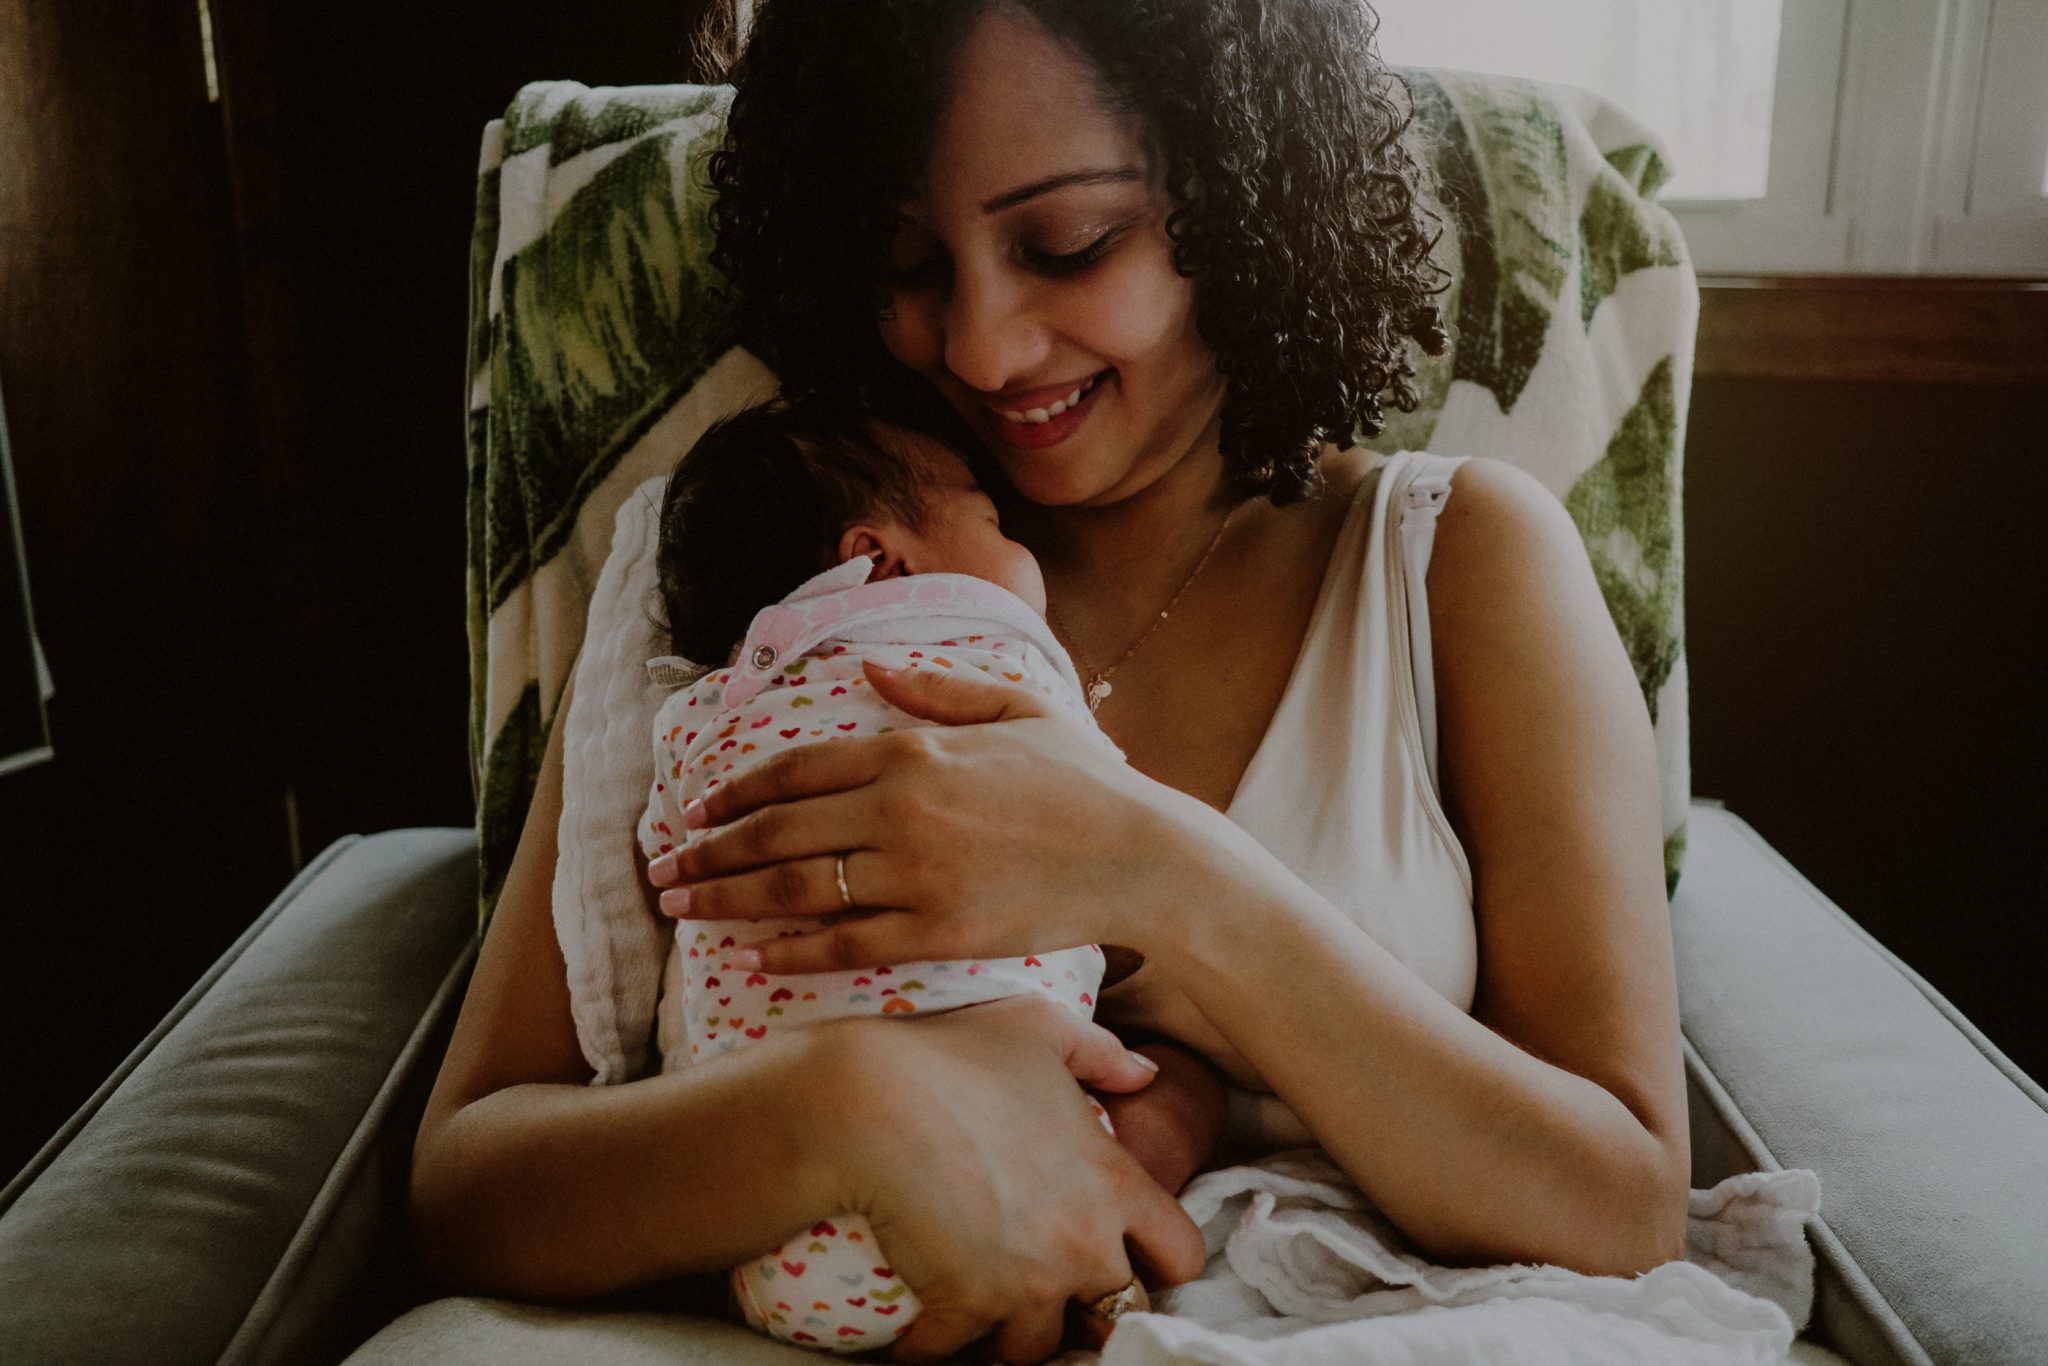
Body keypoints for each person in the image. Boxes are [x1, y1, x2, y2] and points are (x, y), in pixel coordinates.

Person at [410, 2, 1691, 1363]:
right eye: (906, 262)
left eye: (1068, 243)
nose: (983, 349)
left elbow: (1623, 1209)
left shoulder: (1458, 564)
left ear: (1245, 194)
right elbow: (471, 1185)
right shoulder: (762, 551)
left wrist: (1157, 869)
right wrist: (840, 1105)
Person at [639, 397, 1229, 1351]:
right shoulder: (989, 661)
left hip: (760, 1235)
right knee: (1186, 1087)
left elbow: (663, 849)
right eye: (992, 522)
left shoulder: (699, 719)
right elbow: (1114, 837)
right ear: (878, 558)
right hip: (1023, 1193)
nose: (1019, 547)